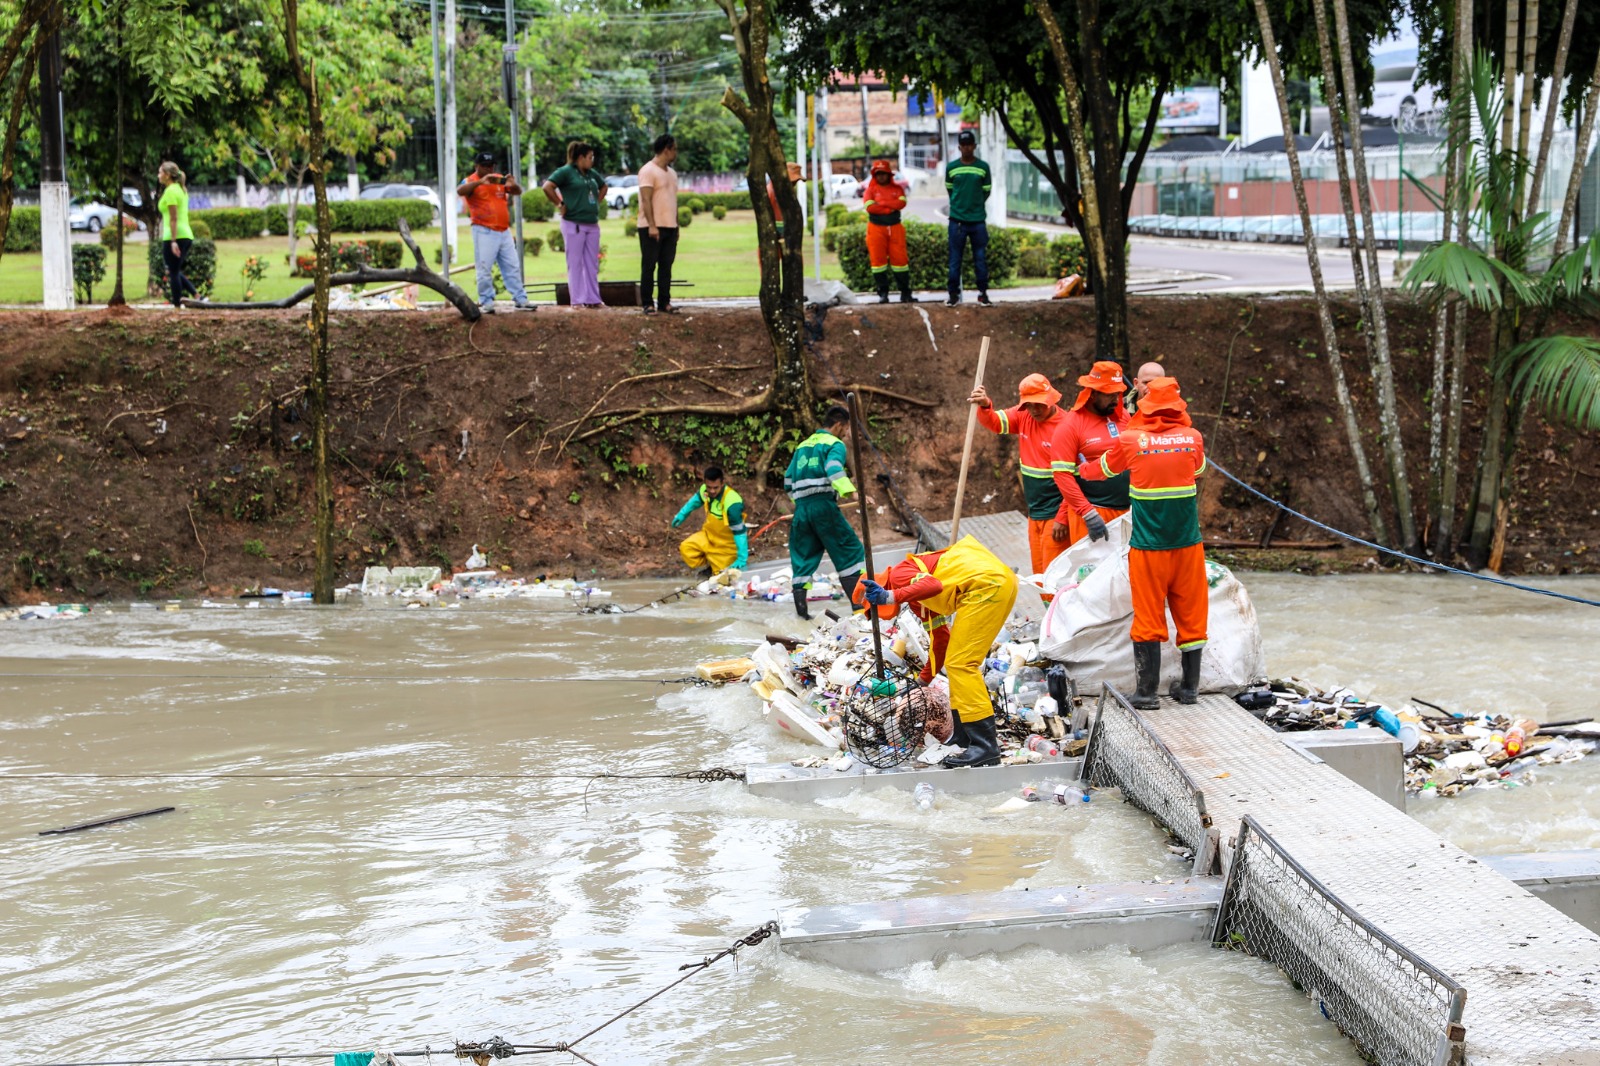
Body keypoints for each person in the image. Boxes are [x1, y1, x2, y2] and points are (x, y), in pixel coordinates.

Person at [1078, 377, 1208, 708]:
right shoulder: (1193, 439)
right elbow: (1198, 468)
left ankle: (1147, 693)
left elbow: (1102, 470)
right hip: (1189, 546)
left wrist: (1081, 469)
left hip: (1150, 549)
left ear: (1145, 406)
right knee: (1192, 616)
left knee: (1149, 616)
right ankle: (1190, 690)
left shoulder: (1132, 440)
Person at [858, 535, 1018, 768]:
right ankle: (964, 737)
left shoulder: (900, 574)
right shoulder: (917, 601)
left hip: (987, 585)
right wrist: (922, 681)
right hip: (994, 584)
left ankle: (985, 747)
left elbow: (934, 585)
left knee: (962, 664)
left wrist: (891, 595)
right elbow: (940, 640)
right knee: (957, 662)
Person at [970, 373, 1069, 579]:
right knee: (1039, 573)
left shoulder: (1067, 426)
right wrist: (985, 404)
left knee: (1055, 575)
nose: (1034, 410)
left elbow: (1077, 479)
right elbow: (996, 422)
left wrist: (1063, 516)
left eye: (1038, 404)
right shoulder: (1025, 415)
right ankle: (1048, 611)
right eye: (1029, 405)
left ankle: (1057, 610)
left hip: (1056, 512)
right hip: (1034, 512)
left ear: (1050, 399)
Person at [783, 405, 864, 619]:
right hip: (823, 507)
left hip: (801, 510)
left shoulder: (802, 446)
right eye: (846, 429)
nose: (846, 434)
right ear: (838, 425)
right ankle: (860, 610)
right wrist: (853, 493)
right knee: (849, 551)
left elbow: (788, 481)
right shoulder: (834, 444)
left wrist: (803, 503)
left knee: (802, 558)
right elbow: (834, 469)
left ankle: (802, 617)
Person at [1051, 361, 1132, 546]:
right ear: (1093, 393)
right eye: (1109, 395)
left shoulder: (1123, 416)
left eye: (1117, 394)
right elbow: (1062, 475)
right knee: (1091, 572)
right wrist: (1088, 513)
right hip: (1094, 512)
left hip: (1126, 511)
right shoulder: (1070, 426)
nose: (1115, 399)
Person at [457, 151, 533, 313]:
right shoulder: (471, 180)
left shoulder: (498, 179)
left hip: (503, 230)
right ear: (477, 166)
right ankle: (486, 301)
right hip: (483, 229)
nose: (489, 169)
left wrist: (513, 184)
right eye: (485, 166)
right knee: (484, 268)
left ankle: (520, 299)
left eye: (491, 166)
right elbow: (460, 190)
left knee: (512, 266)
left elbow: (517, 192)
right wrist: (480, 182)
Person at [542, 141, 604, 308]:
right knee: (575, 263)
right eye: (590, 157)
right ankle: (576, 300)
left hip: (592, 223)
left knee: (592, 264)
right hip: (573, 223)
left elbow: (603, 186)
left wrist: (596, 204)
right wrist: (560, 204)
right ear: (580, 158)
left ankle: (593, 299)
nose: (592, 160)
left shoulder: (591, 173)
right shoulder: (566, 172)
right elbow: (547, 187)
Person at [671, 466, 748, 577]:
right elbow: (695, 501)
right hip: (708, 536)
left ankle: (717, 566)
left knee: (720, 577)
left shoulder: (732, 503)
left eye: (715, 488)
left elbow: (740, 532)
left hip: (726, 546)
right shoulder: (704, 490)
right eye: (709, 487)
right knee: (686, 548)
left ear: (722, 483)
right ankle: (710, 564)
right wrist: (682, 514)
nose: (712, 491)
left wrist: (742, 558)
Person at [944, 129, 992, 307]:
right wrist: (962, 206)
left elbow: (986, 191)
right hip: (957, 221)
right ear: (959, 147)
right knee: (955, 259)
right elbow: (950, 191)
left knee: (980, 258)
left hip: (978, 221)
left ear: (974, 146)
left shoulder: (983, 167)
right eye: (963, 145)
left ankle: (983, 293)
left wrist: (974, 205)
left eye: (969, 145)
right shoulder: (952, 168)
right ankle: (953, 295)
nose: (966, 148)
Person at [637, 134, 680, 315]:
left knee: (666, 265)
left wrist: (676, 225)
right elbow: (646, 200)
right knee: (649, 265)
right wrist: (652, 225)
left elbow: (673, 200)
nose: (676, 153)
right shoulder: (648, 171)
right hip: (651, 226)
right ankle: (647, 303)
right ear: (666, 149)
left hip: (670, 226)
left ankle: (664, 301)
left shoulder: (672, 174)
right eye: (674, 149)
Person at [861, 159, 914, 304]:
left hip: (895, 228)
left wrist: (882, 204)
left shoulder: (897, 189)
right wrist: (890, 207)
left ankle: (905, 293)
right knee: (878, 262)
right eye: (878, 174)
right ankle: (883, 294)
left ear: (889, 174)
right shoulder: (870, 190)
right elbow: (870, 207)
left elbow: (902, 203)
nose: (881, 176)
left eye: (884, 173)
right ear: (874, 175)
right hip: (876, 229)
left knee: (901, 261)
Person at [156, 161, 197, 308]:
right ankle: (196, 294)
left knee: (172, 272)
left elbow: (173, 218)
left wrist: (173, 241)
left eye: (160, 172)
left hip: (175, 236)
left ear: (167, 175)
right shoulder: (181, 189)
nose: (158, 175)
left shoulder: (171, 191)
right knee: (174, 270)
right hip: (186, 234)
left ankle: (177, 306)